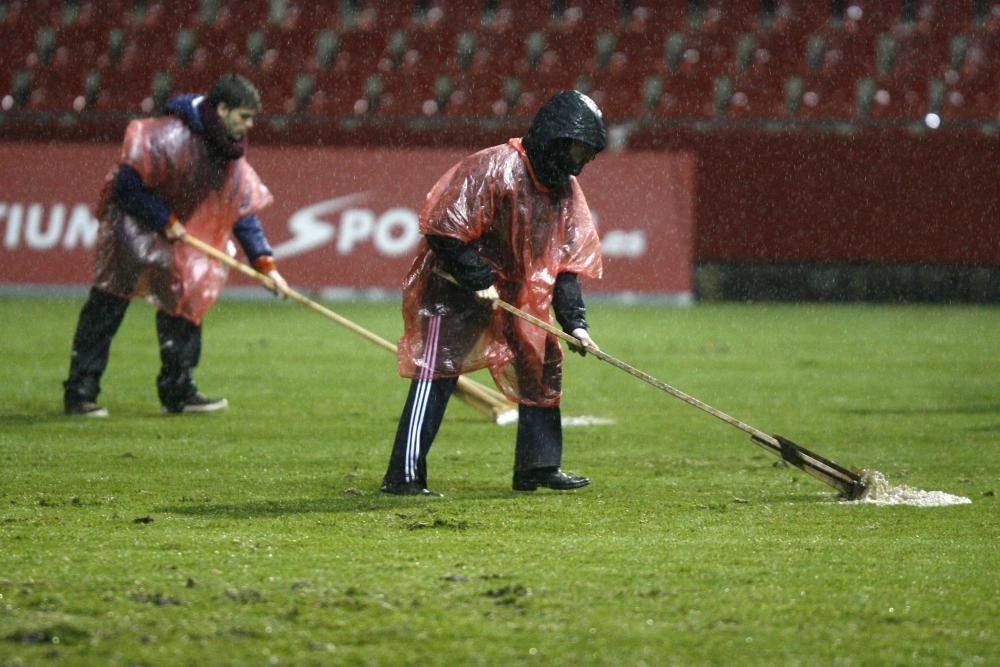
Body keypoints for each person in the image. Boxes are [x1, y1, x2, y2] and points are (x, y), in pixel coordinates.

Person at [381, 90, 606, 496]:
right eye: (576, 149)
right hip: (452, 291)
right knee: (437, 374)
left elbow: (565, 267)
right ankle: (404, 477)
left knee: (542, 364)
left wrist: (576, 324)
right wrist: (478, 279)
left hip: (516, 296)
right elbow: (443, 230)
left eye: (586, 154)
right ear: (555, 137)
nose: (580, 161)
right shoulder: (495, 169)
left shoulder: (565, 193)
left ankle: (537, 467)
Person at [63, 73, 287, 417]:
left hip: (181, 232)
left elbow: (240, 212)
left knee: (186, 301)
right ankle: (81, 391)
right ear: (223, 108)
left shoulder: (228, 153)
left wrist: (265, 264)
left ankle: (178, 390)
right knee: (107, 304)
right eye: (245, 116)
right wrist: (164, 220)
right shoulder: (168, 135)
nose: (249, 125)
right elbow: (127, 187)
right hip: (133, 227)